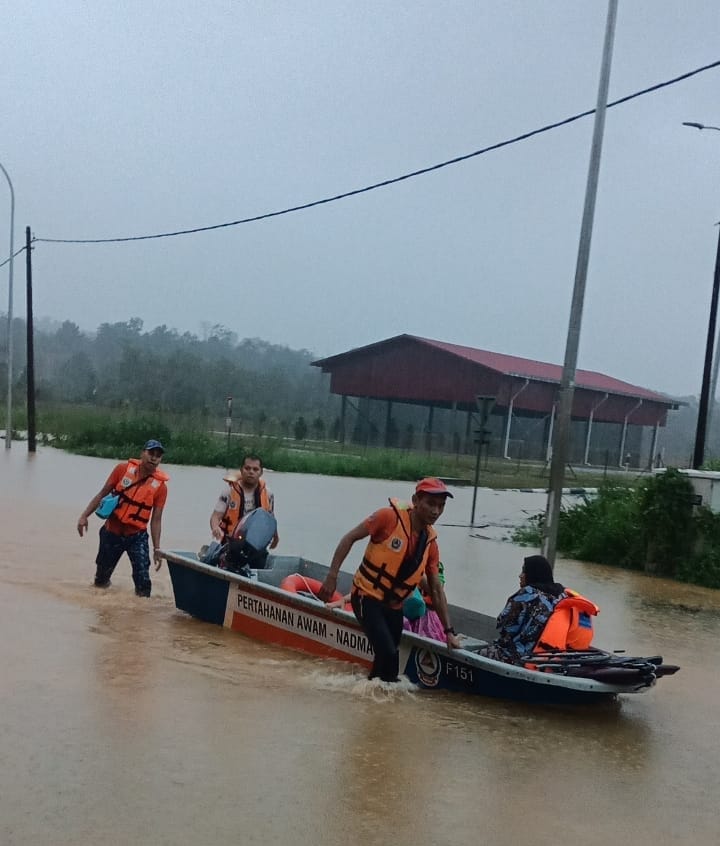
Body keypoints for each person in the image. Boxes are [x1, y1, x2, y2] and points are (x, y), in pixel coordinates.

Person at [318, 477, 461, 683]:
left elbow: (436, 590)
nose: (436, 511)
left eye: (441, 506)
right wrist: (332, 576)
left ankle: (370, 699)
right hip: (366, 597)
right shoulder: (387, 518)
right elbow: (349, 538)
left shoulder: (430, 544)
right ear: (416, 500)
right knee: (389, 655)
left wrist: (449, 632)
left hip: (394, 606)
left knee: (386, 659)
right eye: (431, 504)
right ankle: (385, 706)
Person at [76, 439, 169, 597]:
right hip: (112, 531)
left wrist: (157, 548)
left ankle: (140, 615)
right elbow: (102, 493)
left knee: (143, 582)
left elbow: (156, 520)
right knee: (101, 581)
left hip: (137, 536)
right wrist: (84, 516)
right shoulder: (122, 470)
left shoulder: (161, 487)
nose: (154, 458)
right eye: (151, 453)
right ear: (142, 453)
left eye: (158, 455)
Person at [485, 554, 565, 664]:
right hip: (546, 657)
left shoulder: (527, 593)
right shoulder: (561, 595)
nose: (520, 575)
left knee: (475, 653)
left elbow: (503, 623)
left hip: (517, 656)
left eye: (523, 571)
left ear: (533, 574)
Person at [209, 454, 279, 548]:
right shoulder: (229, 491)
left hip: (255, 543)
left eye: (255, 469)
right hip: (230, 543)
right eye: (247, 468)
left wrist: (276, 536)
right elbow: (216, 516)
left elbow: (270, 518)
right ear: (241, 470)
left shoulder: (268, 493)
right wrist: (215, 528)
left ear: (261, 472)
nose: (251, 472)